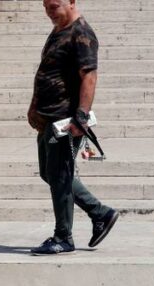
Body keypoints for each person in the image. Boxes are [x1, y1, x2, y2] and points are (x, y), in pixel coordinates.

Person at [27, 0, 118, 255]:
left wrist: (81, 116)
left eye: (53, 5)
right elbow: (46, 71)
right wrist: (34, 107)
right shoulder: (58, 29)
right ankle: (100, 213)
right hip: (47, 118)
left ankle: (63, 237)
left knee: (61, 175)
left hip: (65, 119)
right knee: (50, 173)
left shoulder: (81, 32)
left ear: (71, 1)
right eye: (45, 6)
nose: (48, 10)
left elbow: (89, 75)